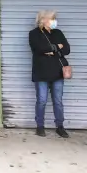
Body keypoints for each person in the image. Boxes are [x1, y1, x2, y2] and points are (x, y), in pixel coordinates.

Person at [29, 10, 71, 138]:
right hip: (41, 73)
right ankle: (40, 126)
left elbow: (67, 49)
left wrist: (51, 50)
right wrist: (57, 47)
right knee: (41, 100)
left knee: (58, 101)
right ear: (43, 20)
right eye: (52, 18)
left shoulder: (58, 33)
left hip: (57, 72)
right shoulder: (34, 34)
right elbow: (39, 49)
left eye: (54, 18)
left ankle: (60, 126)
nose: (54, 21)